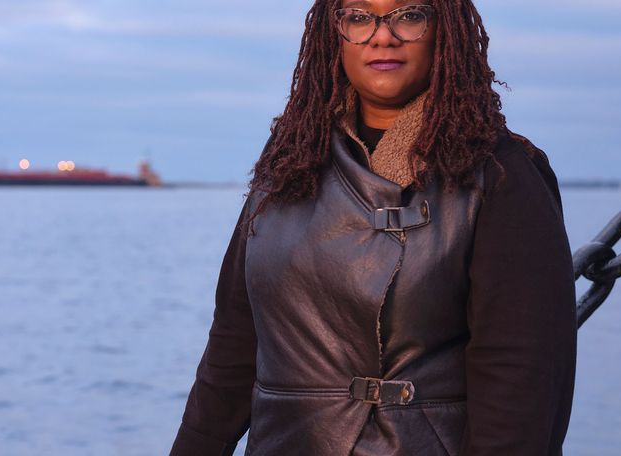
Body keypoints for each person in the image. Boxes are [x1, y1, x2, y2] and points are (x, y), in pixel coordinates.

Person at [170, 0, 577, 455]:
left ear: (444, 29)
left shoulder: (500, 174)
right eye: (359, 17)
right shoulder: (287, 162)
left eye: (409, 15)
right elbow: (233, 343)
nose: (383, 36)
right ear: (334, 33)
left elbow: (520, 376)